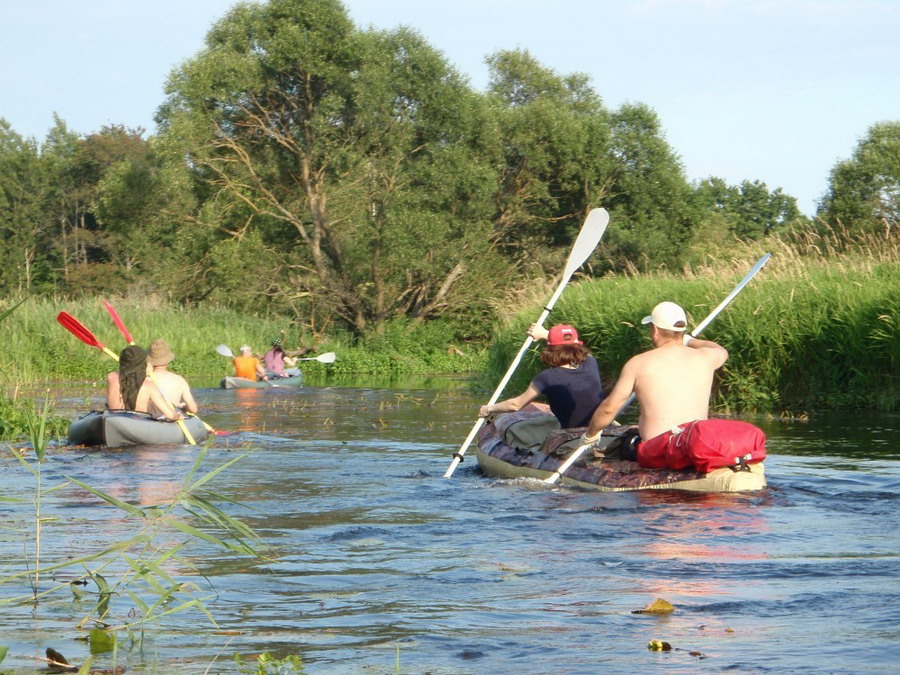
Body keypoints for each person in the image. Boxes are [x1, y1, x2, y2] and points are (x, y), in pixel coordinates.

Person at [581, 301, 728, 456]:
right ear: (682, 330)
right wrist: (689, 340)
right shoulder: (706, 357)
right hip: (695, 445)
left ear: (655, 330)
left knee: (621, 447)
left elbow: (609, 408)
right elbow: (720, 350)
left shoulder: (638, 363)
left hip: (658, 451)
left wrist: (590, 435)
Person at [478, 324, 604, 429]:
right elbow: (571, 346)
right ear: (578, 346)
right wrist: (546, 334)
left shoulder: (547, 377)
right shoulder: (591, 362)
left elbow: (515, 405)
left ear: (550, 350)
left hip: (572, 434)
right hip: (599, 427)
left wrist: (489, 409)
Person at [106, 345, 184, 421]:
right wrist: (177, 416)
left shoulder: (111, 377)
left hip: (113, 417)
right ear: (144, 364)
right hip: (139, 421)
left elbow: (127, 376)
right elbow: (169, 415)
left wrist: (143, 370)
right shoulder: (150, 387)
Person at [147, 338, 198, 415]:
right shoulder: (179, 380)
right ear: (168, 360)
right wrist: (185, 408)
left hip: (150, 417)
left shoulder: (145, 379)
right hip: (172, 416)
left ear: (149, 361)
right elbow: (193, 409)